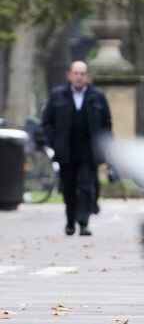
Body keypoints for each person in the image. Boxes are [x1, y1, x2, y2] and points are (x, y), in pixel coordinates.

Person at [42, 61, 112, 237]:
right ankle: (70, 220)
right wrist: (53, 142)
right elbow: (47, 122)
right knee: (69, 188)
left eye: (82, 73)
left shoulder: (97, 96)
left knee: (86, 186)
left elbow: (106, 123)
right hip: (66, 150)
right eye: (76, 73)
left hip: (88, 150)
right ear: (69, 75)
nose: (79, 77)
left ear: (87, 77)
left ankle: (84, 222)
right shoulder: (57, 95)